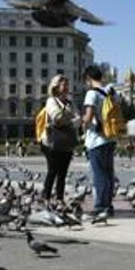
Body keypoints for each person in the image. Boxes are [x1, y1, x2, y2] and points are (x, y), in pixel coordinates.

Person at [82, 65, 117, 219]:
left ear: (88, 79)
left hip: (96, 140)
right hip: (110, 138)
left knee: (99, 175)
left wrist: (81, 123)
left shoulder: (91, 93)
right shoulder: (109, 92)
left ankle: (100, 207)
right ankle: (108, 205)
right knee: (108, 174)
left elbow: (88, 117)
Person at [41, 74, 78, 204]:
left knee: (63, 172)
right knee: (53, 169)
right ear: (56, 87)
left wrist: (67, 118)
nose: (67, 87)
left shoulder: (70, 102)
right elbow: (57, 117)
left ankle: (59, 198)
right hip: (51, 141)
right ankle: (46, 197)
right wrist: (69, 117)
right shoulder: (51, 101)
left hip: (66, 141)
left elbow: (77, 120)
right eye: (64, 84)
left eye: (68, 84)